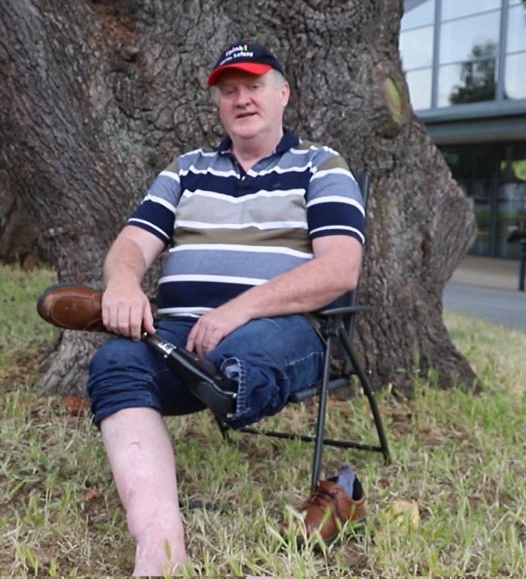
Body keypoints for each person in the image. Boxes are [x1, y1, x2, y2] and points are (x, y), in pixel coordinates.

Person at [41, 40, 366, 575]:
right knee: (113, 365)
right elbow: (132, 243)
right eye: (229, 91)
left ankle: (212, 375)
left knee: (240, 361)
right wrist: (123, 286)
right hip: (178, 330)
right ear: (218, 103)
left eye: (254, 86)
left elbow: (338, 270)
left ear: (283, 93)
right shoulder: (185, 170)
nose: (241, 99)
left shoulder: (321, 166)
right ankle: (159, 538)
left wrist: (238, 310)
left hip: (281, 330)